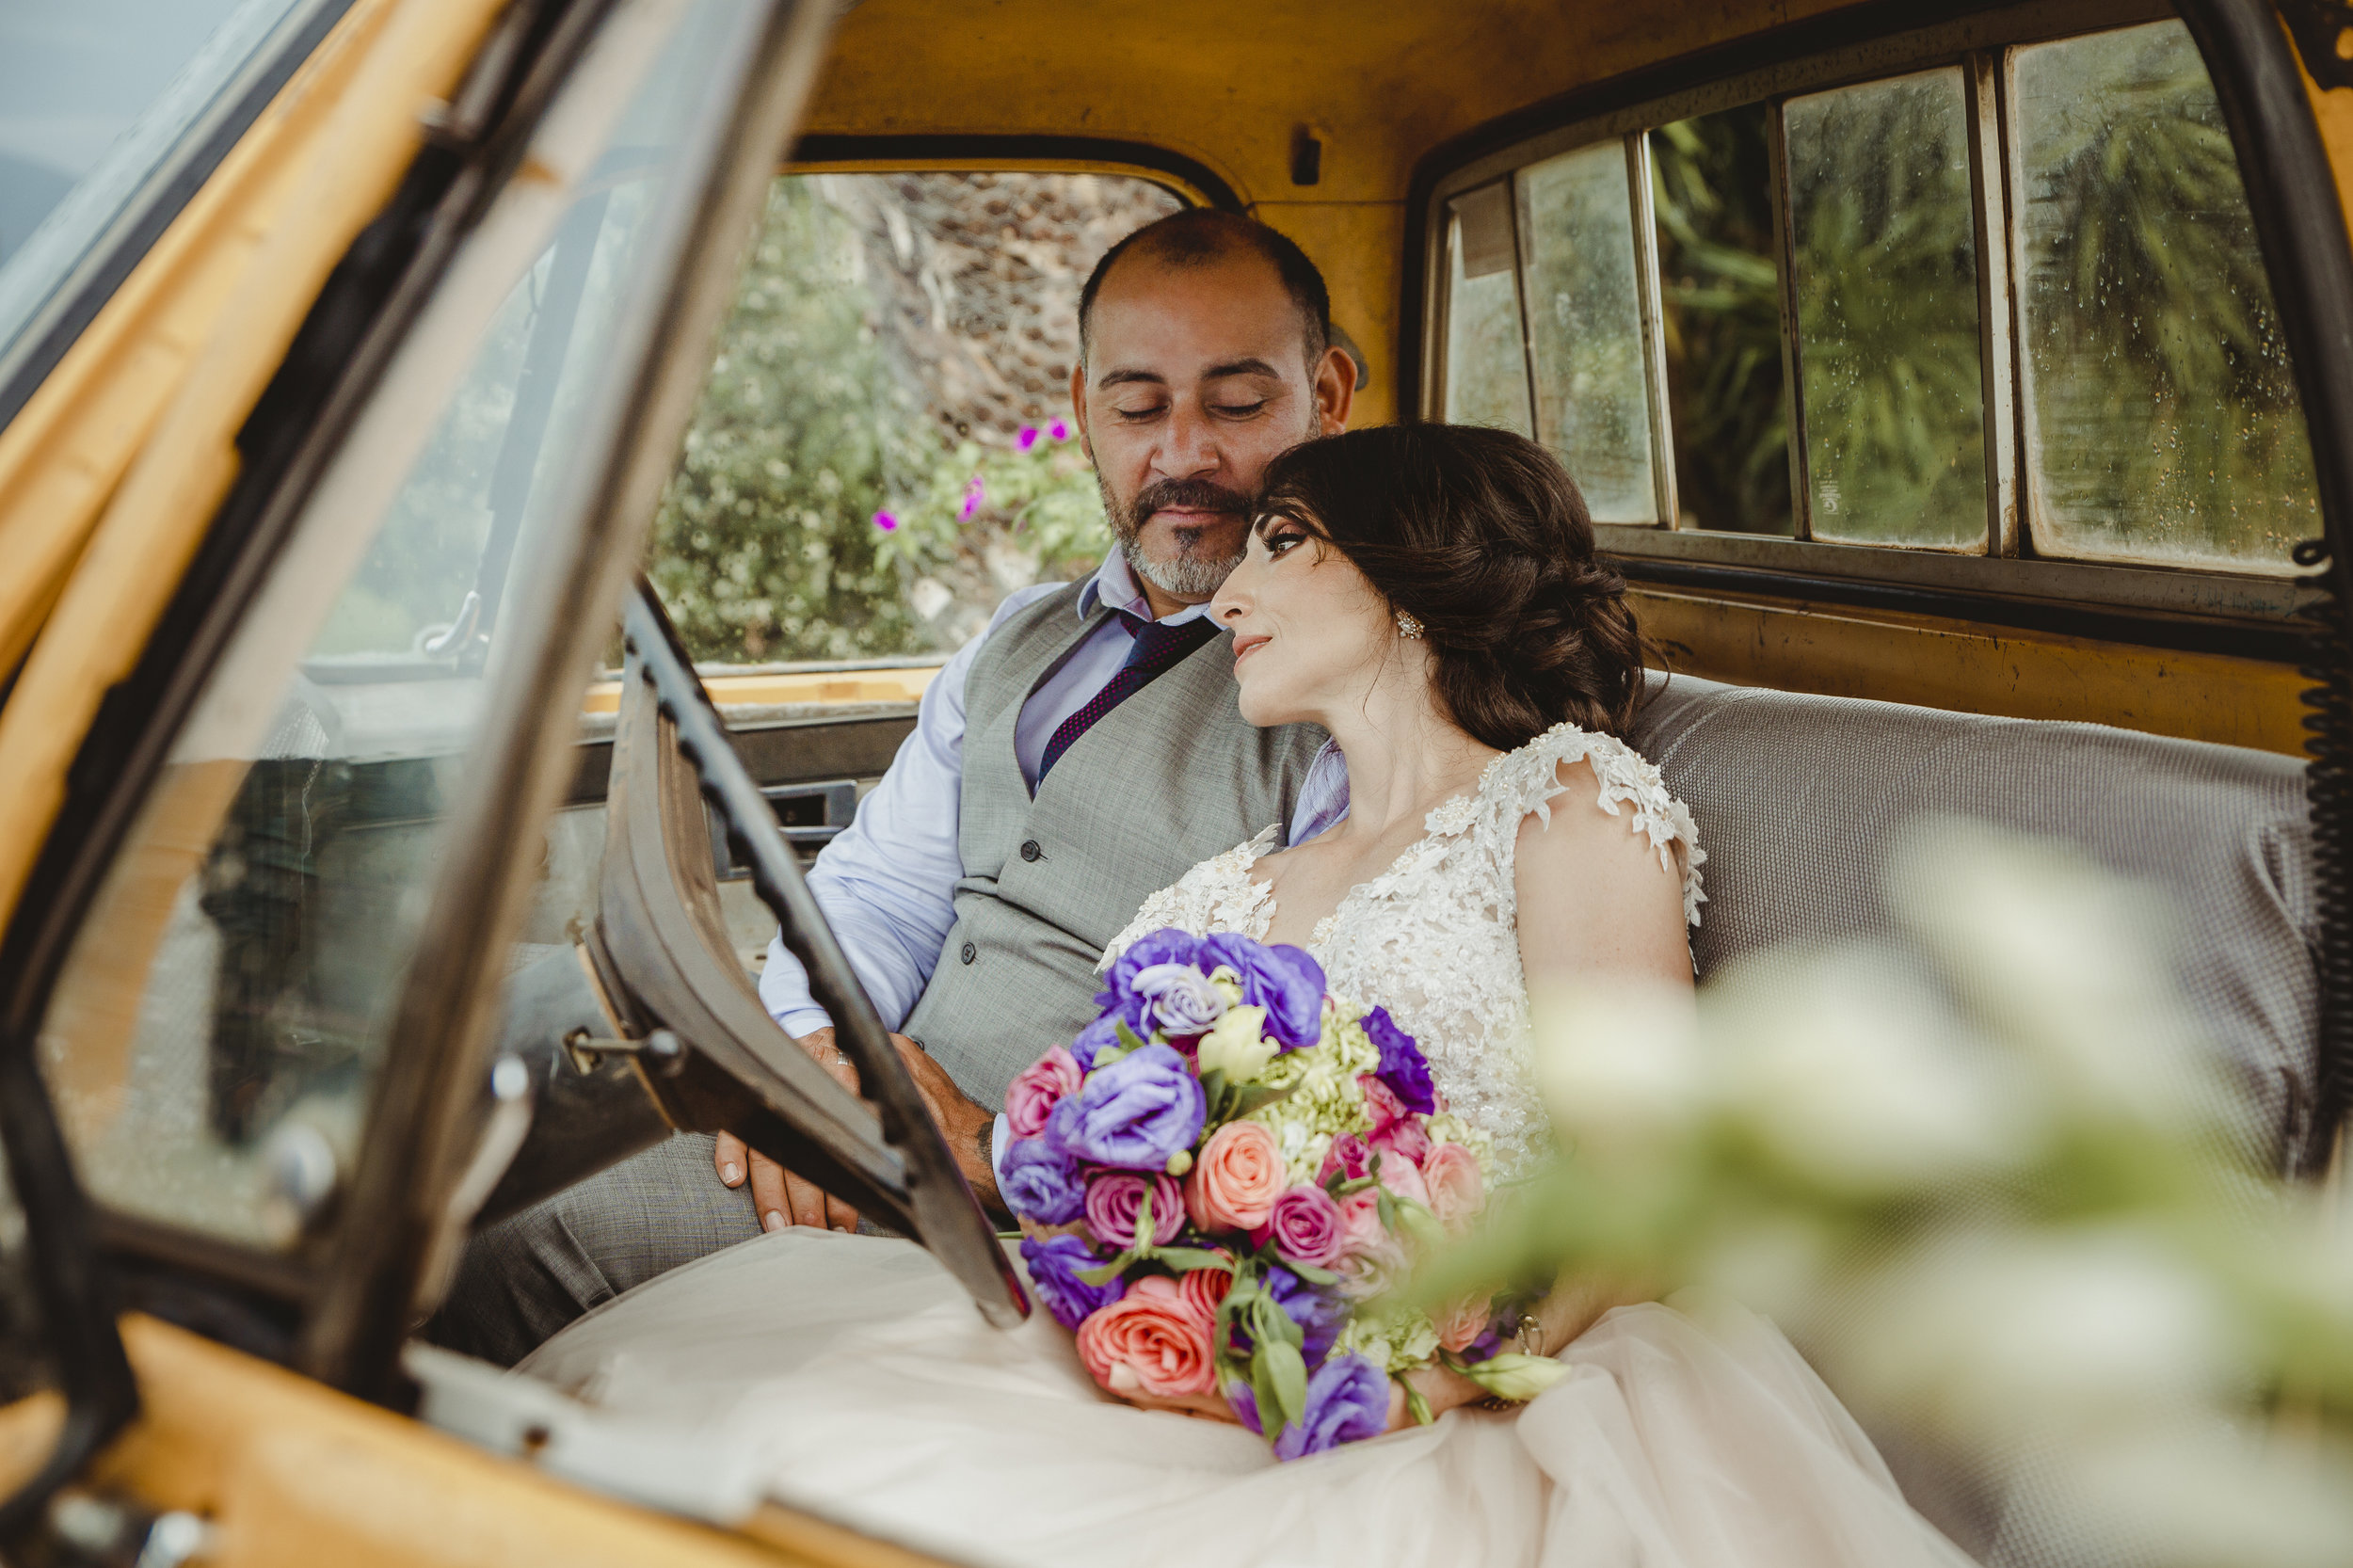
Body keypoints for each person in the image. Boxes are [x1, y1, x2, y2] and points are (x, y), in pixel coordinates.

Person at [513, 426, 1976, 1568]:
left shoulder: (1570, 803)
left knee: (865, 1473)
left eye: (1282, 544)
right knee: (748, 1407)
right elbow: (1091, 1163)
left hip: (1467, 1367)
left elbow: (1645, 1178)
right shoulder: (1233, 885)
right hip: (1182, 1335)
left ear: (1409, 577)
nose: (1230, 594)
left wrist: (1424, 1354)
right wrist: (1001, 1156)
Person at [433, 207, 1360, 1365]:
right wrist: (824, 1055)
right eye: (1135, 406)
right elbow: (874, 896)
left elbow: (1304, 1063)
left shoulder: (1350, 701)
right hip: (870, 1120)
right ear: (1080, 407)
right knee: (474, 1109)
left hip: (1052, 1217)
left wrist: (990, 1145)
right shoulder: (1020, 640)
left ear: (1325, 392)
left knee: (516, 1230)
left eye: (1235, 403)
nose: (1183, 452)